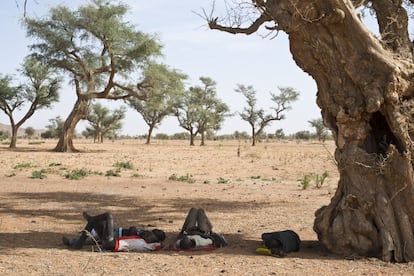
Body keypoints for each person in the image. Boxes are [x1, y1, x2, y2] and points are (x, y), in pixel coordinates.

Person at [62, 211, 166, 252]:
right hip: (110, 241)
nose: (149, 234)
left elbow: (160, 245)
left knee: (108, 216)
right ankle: (78, 244)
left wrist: (156, 240)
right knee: (98, 223)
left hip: (112, 244)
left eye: (153, 235)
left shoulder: (150, 245)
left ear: (155, 240)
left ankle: (91, 220)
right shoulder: (142, 238)